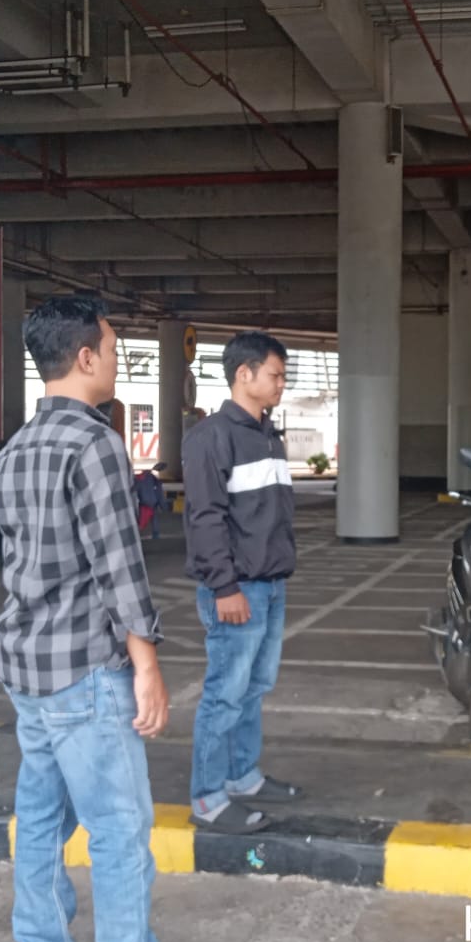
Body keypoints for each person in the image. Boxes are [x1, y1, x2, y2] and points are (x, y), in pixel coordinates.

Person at [0, 294, 218, 942]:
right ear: (85, 356)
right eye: (114, 349)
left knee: (41, 817)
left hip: (27, 667)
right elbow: (118, 566)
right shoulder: (94, 444)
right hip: (86, 670)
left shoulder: (15, 449)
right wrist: (146, 665)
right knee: (119, 830)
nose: (117, 361)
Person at [182, 331, 301, 831]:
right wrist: (224, 588)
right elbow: (205, 519)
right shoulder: (212, 437)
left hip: (270, 585)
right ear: (244, 374)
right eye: (275, 375)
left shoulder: (268, 435)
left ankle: (242, 776)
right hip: (238, 589)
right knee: (225, 695)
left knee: (253, 688)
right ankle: (208, 798)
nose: (281, 384)